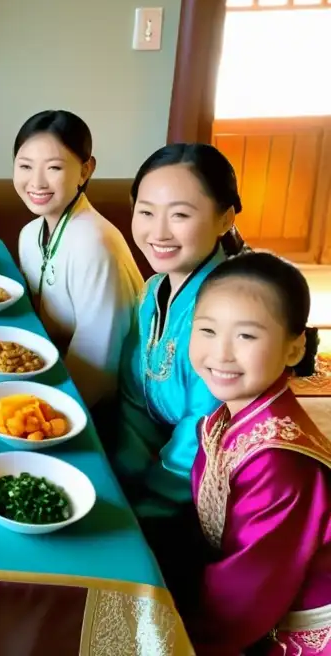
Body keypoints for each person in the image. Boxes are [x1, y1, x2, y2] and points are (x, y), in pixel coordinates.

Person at [110, 143, 246, 601]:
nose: (158, 232)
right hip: (154, 478)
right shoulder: (152, 291)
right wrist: (123, 474)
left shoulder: (229, 309)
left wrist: (146, 503)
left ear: (226, 218)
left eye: (180, 215)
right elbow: (133, 396)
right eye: (146, 213)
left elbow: (204, 427)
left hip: (204, 496)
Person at [188, 252, 330, 655]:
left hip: (290, 626)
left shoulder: (278, 461)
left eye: (246, 336)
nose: (221, 354)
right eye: (208, 330)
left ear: (293, 347)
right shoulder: (226, 419)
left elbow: (246, 595)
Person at [13, 110, 143, 408]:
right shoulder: (30, 234)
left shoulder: (96, 244)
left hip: (108, 404)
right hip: (57, 376)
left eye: (54, 168)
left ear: (85, 171)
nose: (37, 182)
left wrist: (43, 411)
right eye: (25, 166)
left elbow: (98, 365)